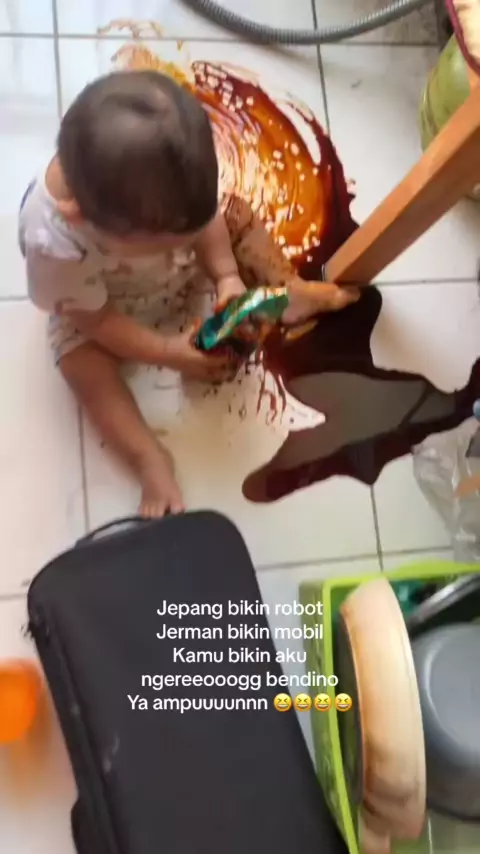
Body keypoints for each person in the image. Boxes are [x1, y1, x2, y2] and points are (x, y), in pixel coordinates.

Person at [19, 69, 359, 518]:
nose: (182, 243)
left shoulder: (160, 183)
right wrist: (167, 352)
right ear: (81, 218)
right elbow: (94, 320)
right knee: (80, 363)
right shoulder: (54, 248)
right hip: (101, 305)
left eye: (188, 229)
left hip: (160, 256)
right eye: (164, 240)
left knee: (233, 212)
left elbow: (207, 220)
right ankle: (148, 458)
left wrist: (226, 275)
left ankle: (288, 291)